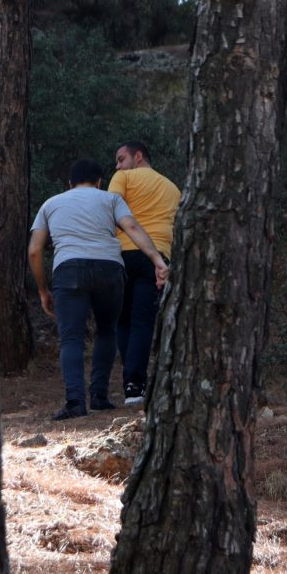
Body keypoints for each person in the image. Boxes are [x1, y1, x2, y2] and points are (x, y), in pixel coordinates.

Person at [28, 159, 169, 421]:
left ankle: (75, 402)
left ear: (69, 184)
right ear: (99, 182)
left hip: (69, 270)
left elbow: (35, 249)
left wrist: (42, 289)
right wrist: (157, 260)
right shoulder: (110, 200)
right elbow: (133, 228)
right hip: (110, 269)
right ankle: (100, 397)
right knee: (107, 331)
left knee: (72, 338)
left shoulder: (51, 203)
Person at [109, 140, 182, 405]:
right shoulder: (173, 188)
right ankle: (134, 386)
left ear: (138, 156)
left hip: (123, 253)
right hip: (157, 257)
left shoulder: (122, 177)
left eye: (121, 158)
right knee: (142, 321)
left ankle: (131, 383)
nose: (117, 165)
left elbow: (111, 209)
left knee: (122, 320)